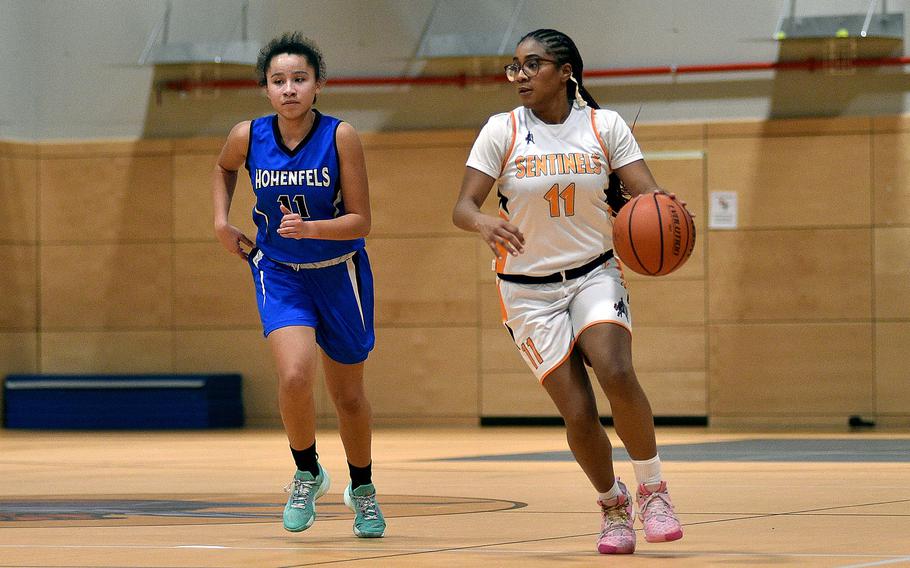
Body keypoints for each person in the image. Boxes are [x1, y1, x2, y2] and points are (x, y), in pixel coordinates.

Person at [452, 28, 685, 555]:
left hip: (593, 272)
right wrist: (484, 224)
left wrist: (663, 213)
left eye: (533, 64)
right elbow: (462, 206)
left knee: (616, 369)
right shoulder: (501, 130)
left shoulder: (605, 126)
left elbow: (647, 190)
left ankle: (653, 490)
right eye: (515, 66)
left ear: (566, 72)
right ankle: (613, 505)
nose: (521, 75)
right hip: (525, 291)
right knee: (578, 413)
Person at [213, 32, 385, 539]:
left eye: (299, 79)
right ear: (266, 89)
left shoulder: (341, 136)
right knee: (293, 376)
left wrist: (312, 229)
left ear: (317, 85)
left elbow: (361, 220)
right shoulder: (247, 135)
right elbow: (223, 169)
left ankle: (363, 489)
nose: (289, 89)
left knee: (348, 397)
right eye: (278, 80)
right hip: (279, 270)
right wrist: (222, 222)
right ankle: (307, 471)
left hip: (339, 271)